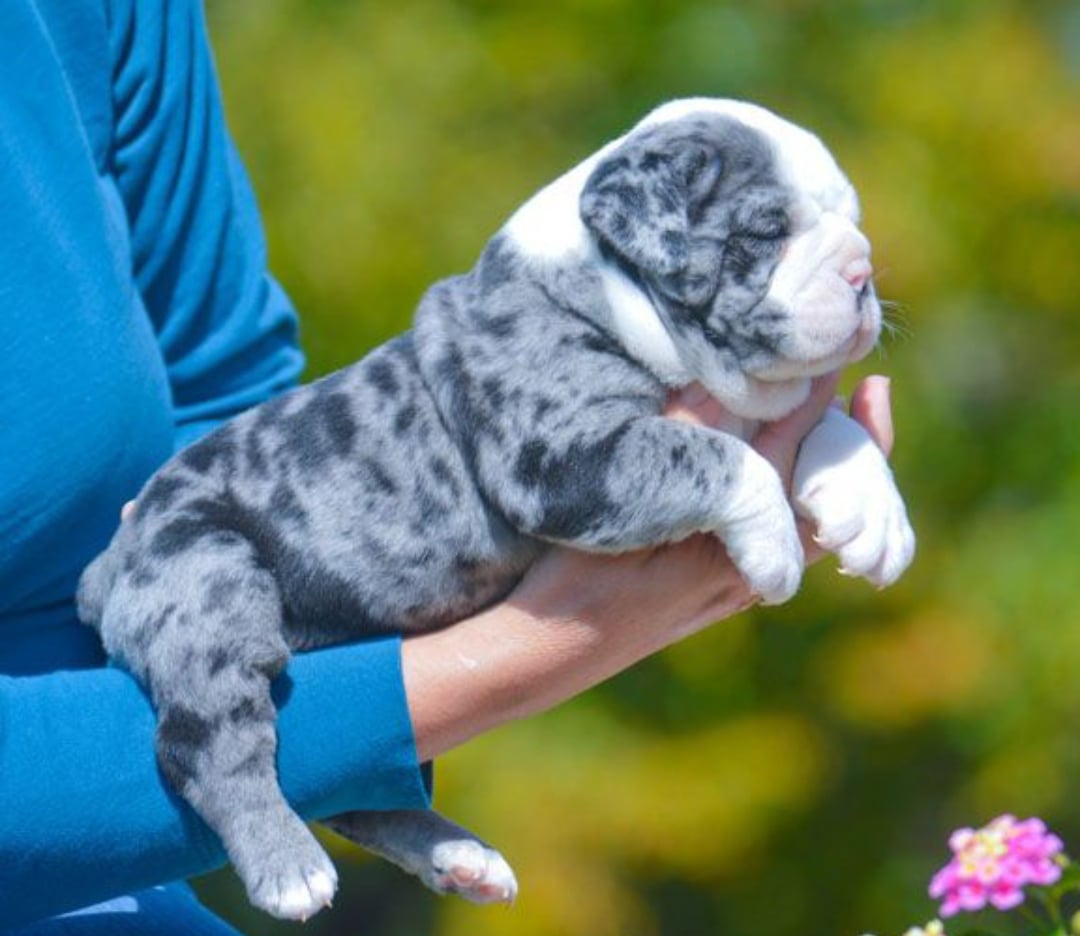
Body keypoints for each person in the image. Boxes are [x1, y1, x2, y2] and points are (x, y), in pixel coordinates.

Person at [0, 0, 897, 932]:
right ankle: (277, 807)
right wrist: (525, 650)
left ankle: (370, 808)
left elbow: (221, 383)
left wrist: (828, 450)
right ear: (655, 229)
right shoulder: (544, 331)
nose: (853, 268)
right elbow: (561, 480)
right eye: (763, 236)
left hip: (141, 829)